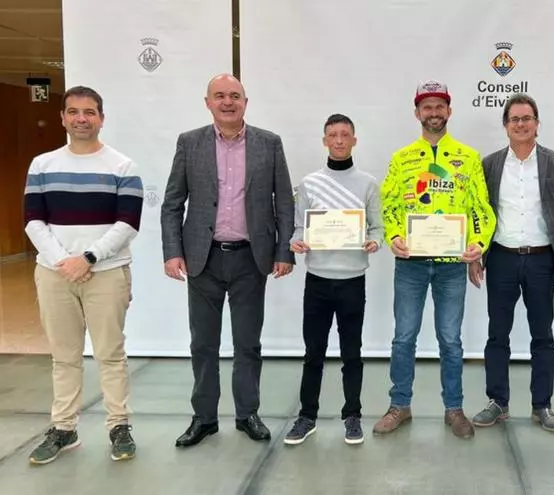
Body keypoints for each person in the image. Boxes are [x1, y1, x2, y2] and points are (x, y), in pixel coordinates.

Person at [160, 73, 295, 447]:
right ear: (207, 103)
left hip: (251, 259)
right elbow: (172, 203)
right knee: (203, 344)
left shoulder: (269, 143)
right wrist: (172, 251)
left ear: (246, 102)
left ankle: (247, 413)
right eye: (219, 95)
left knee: (248, 343)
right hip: (202, 259)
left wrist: (284, 251)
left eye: (235, 95)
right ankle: (204, 418)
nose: (227, 102)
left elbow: (284, 202)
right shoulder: (190, 142)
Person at [24, 85, 142, 464]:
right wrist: (65, 261)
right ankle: (64, 428)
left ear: (101, 118)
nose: (81, 119)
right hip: (55, 274)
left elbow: (128, 223)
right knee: (64, 357)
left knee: (111, 354)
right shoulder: (42, 165)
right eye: (73, 112)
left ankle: (119, 426)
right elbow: (33, 221)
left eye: (89, 112)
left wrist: (88, 258)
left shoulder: (123, 166)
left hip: (106, 272)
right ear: (62, 118)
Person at [373, 80, 496, 439]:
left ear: (449, 111)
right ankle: (399, 405)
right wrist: (394, 235)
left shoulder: (468, 158)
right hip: (410, 264)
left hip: (451, 266)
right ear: (417, 113)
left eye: (440, 106)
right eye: (427, 107)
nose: (434, 112)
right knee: (403, 337)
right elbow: (389, 203)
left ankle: (454, 409)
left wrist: (478, 243)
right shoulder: (402, 158)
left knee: (450, 339)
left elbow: (480, 207)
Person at [468, 93, 554, 432]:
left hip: (542, 260)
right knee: (497, 333)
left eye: (527, 118)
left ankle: (542, 405)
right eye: (514, 119)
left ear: (537, 123)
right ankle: (497, 401)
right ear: (505, 125)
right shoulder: (490, 164)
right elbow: (479, 214)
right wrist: (476, 255)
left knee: (543, 335)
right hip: (501, 258)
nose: (521, 124)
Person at [284, 114, 383, 446]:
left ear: (354, 140)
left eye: (345, 135)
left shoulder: (368, 183)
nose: (339, 140)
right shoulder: (309, 183)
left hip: (353, 280)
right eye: (333, 135)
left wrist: (375, 242)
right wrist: (296, 242)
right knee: (314, 352)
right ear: (325, 140)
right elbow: (300, 228)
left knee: (352, 353)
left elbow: (377, 228)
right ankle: (307, 416)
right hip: (318, 281)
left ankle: (352, 415)